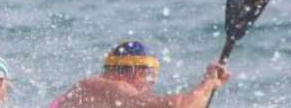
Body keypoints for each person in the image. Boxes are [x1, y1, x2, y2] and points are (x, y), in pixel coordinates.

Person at [50, 41, 230, 108]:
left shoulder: (104, 95)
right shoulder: (105, 87)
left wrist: (208, 83)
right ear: (134, 71)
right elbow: (178, 106)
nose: (151, 84)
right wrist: (209, 84)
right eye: (150, 76)